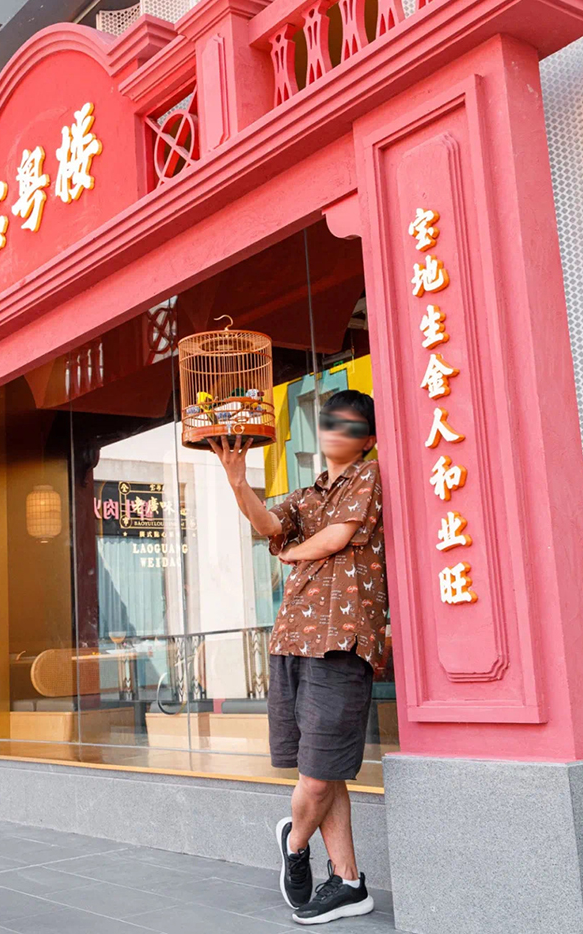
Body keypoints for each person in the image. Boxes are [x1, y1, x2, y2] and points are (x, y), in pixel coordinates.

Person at [210, 388, 386, 926]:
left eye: (350, 424)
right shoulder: (307, 495)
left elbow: (336, 537)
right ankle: (349, 882)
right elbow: (266, 523)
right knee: (323, 770)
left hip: (341, 640)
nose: (336, 431)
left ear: (367, 438)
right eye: (330, 421)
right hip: (292, 637)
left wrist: (291, 553)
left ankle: (294, 839)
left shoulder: (370, 476)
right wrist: (237, 480)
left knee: (317, 775)